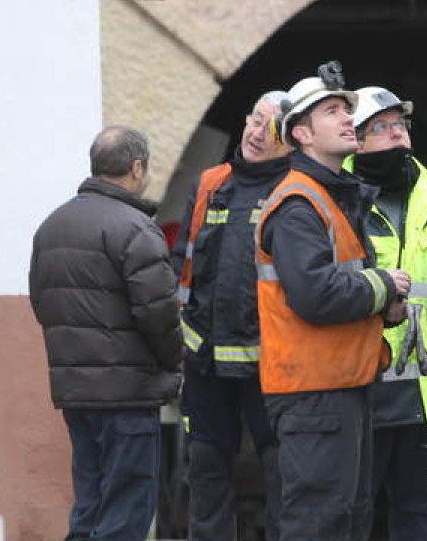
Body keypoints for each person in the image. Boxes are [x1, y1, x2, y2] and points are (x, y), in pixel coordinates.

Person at [255, 62, 411, 541]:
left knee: (348, 520)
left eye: (346, 109)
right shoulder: (299, 203)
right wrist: (384, 286)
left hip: (342, 386)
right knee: (318, 524)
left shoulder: (333, 197)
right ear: (301, 133)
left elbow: (338, 283)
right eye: (331, 111)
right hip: (314, 394)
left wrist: (381, 307)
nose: (348, 118)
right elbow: (316, 295)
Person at [29, 126, 182, 541]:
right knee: (126, 510)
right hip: (128, 393)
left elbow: (41, 303)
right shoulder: (135, 228)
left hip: (76, 393)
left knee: (91, 504)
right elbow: (160, 314)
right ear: (137, 168)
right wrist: (173, 363)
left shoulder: (52, 226)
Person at [173, 90, 292, 540]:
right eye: (255, 120)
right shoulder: (210, 183)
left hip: (272, 366)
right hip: (205, 363)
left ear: (294, 142)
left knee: (283, 473)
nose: (258, 134)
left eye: (272, 129)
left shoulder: (295, 190)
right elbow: (181, 262)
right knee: (205, 471)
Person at [345, 86, 427, 540]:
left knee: (422, 511)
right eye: (381, 128)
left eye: (401, 126)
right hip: (361, 385)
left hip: (425, 393)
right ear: (356, 140)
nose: (397, 136)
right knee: (355, 512)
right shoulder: (340, 202)